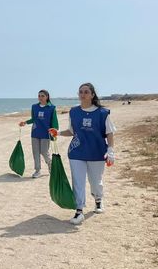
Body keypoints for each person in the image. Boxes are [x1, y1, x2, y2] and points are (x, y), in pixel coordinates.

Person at [49, 83, 115, 225]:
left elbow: (109, 133)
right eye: (80, 92)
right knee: (78, 182)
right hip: (77, 152)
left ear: (92, 95)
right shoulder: (74, 112)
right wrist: (58, 133)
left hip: (97, 153)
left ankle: (98, 199)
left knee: (95, 182)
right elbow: (72, 131)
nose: (83, 94)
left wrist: (110, 151)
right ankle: (79, 211)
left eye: (86, 92)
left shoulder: (103, 113)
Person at [18, 90, 59, 178]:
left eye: (42, 96)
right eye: (39, 96)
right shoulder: (34, 107)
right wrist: (25, 122)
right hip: (35, 132)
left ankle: (50, 164)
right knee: (35, 152)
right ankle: (37, 170)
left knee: (44, 152)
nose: (40, 97)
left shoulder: (52, 108)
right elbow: (34, 119)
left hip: (46, 133)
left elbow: (54, 121)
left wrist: (55, 130)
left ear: (47, 97)